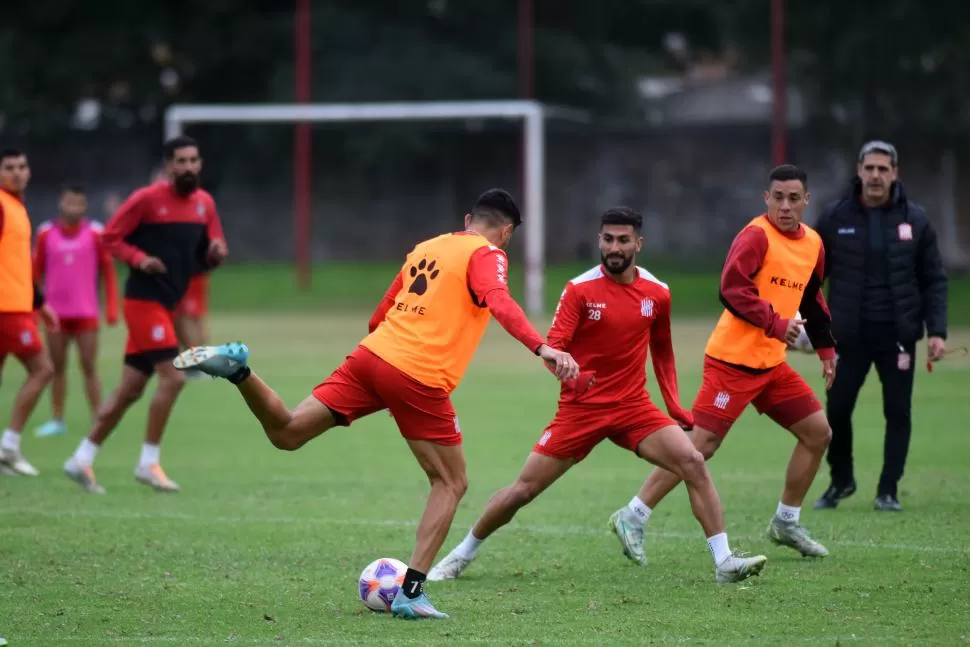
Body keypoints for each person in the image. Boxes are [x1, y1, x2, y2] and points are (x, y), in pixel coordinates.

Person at [173, 189, 581, 620]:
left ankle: (239, 371)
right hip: (417, 372)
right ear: (506, 231)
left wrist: (386, 385)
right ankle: (411, 592)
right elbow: (499, 300)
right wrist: (543, 348)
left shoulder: (427, 247)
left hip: (372, 355)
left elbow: (380, 314)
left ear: (467, 218)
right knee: (451, 483)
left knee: (288, 432)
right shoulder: (489, 254)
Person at [428, 207, 768, 585]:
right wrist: (573, 374)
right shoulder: (579, 290)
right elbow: (553, 348)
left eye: (623, 240)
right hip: (581, 410)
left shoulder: (657, 293)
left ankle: (723, 561)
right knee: (522, 491)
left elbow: (664, 352)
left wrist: (673, 404)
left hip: (632, 407)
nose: (614, 247)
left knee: (692, 460)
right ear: (599, 241)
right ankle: (461, 554)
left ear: (638, 243)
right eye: (607, 239)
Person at [609, 165, 837, 562]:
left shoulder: (814, 244)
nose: (785, 206)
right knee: (698, 448)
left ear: (806, 201)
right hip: (732, 361)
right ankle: (633, 514)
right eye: (777, 197)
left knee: (818, 433)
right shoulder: (755, 236)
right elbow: (731, 289)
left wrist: (826, 348)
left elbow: (811, 297)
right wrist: (775, 323)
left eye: (793, 198)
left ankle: (786, 521)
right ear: (766, 198)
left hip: (771, 365)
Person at [62, 135, 228, 494]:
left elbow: (206, 255)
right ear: (168, 166)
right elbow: (109, 237)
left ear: (200, 164)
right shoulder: (146, 200)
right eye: (180, 161)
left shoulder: (204, 205)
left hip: (167, 304)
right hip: (142, 302)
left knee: (129, 390)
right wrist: (140, 260)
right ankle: (148, 463)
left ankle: (81, 458)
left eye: (193, 160)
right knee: (174, 378)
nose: (187, 167)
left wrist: (215, 253)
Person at [813, 141, 948, 512]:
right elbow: (809, 275)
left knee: (898, 410)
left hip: (898, 335)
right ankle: (842, 480)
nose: (875, 176)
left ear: (894, 174)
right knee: (837, 410)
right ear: (859, 171)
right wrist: (805, 320)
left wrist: (937, 330)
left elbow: (934, 278)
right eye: (869, 168)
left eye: (883, 169)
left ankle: (888, 489)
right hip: (848, 334)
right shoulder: (834, 218)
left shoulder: (915, 220)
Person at [32, 184, 120, 438]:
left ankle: (98, 419)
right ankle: (57, 419)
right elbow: (35, 274)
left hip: (86, 312)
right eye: (69, 202)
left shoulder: (95, 233)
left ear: (85, 205)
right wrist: (34, 307)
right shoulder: (46, 234)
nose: (74, 208)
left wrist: (112, 307)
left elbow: (109, 273)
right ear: (61, 203)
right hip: (55, 314)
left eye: (79, 203)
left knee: (89, 367)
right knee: (56, 367)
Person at [0, 148, 57, 476]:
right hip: (6, 309)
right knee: (43, 369)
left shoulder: (17, 206)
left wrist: (39, 302)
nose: (18, 172)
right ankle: (8, 446)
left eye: (22, 166)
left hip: (19, 305)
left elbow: (18, 265)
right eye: (10, 167)